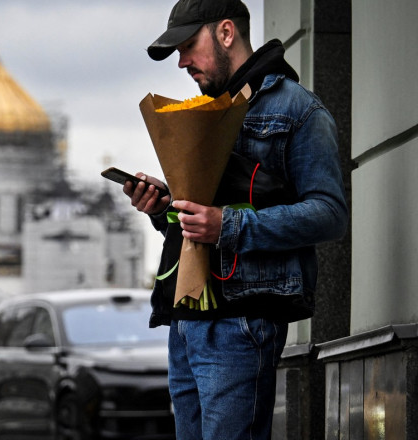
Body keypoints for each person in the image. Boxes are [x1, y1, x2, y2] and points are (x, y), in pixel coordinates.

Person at [124, 0, 349, 439]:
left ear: (226, 33)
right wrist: (163, 208)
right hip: (186, 317)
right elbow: (209, 209)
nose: (182, 62)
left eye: (189, 46)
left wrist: (226, 226)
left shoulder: (298, 110)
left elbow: (330, 214)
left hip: (242, 320)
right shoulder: (205, 111)